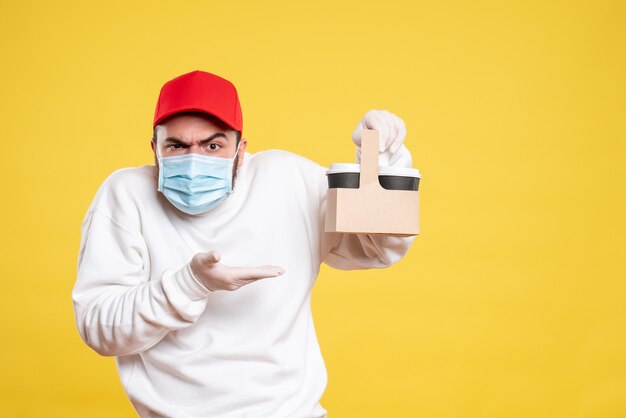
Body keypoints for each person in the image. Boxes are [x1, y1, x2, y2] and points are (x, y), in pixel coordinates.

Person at [72, 70, 416, 418]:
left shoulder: (289, 180)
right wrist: (190, 284)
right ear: (154, 149)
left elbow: (377, 246)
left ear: (241, 149)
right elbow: (99, 328)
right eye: (176, 146)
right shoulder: (125, 196)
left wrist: (379, 161)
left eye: (213, 145)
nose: (194, 161)